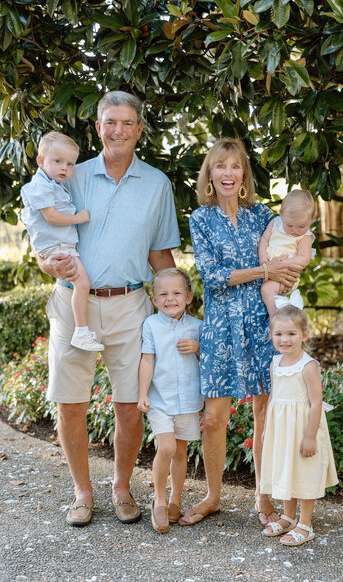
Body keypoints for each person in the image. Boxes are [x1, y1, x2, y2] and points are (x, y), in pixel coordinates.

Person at [35, 91, 180, 526]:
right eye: (110, 122)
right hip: (71, 302)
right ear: (98, 127)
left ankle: (121, 486)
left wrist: (177, 311)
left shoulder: (157, 184)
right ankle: (82, 492)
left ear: (139, 129)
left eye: (127, 123)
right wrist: (47, 263)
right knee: (69, 403)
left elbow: (160, 255)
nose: (118, 130)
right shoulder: (68, 176)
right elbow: (43, 241)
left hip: (131, 304)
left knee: (131, 404)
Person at [179, 138, 303, 527]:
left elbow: (291, 253)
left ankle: (262, 498)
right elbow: (212, 278)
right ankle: (213, 496)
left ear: (244, 174)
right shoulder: (200, 219)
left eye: (235, 166)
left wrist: (287, 271)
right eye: (220, 166)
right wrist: (264, 272)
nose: (228, 173)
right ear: (210, 175)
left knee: (264, 410)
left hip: (261, 323)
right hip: (219, 326)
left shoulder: (263, 215)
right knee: (215, 417)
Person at [260, 293, 338, 545]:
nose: (284, 340)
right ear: (271, 336)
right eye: (279, 334)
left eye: (291, 334)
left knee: (303, 472)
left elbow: (316, 403)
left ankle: (305, 523)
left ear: (304, 335)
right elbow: (273, 397)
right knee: (285, 469)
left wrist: (309, 436)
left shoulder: (308, 366)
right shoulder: (275, 363)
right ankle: (288, 516)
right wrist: (267, 429)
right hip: (281, 429)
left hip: (303, 428)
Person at [21, 131, 104, 352]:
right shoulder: (42, 187)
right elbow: (52, 217)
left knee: (81, 283)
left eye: (69, 163)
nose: (64, 168)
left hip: (58, 244)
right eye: (57, 161)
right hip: (58, 246)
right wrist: (78, 218)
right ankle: (81, 332)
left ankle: (81, 331)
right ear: (40, 161)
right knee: (82, 284)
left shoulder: (51, 184)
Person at [138, 268, 203, 533]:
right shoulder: (151, 325)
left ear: (188, 297)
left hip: (187, 400)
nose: (170, 299)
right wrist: (142, 393)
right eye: (163, 294)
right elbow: (147, 359)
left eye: (176, 293)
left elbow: (208, 362)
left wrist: (198, 348)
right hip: (160, 401)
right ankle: (160, 500)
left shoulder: (198, 327)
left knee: (180, 452)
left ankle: (176, 498)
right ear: (154, 299)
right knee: (166, 448)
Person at [258, 189, 315, 317]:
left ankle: (277, 317)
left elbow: (304, 259)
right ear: (281, 214)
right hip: (268, 268)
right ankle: (282, 305)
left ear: (311, 220)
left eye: (301, 226)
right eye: (290, 225)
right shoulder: (274, 224)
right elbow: (264, 239)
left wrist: (282, 264)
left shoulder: (305, 237)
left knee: (266, 289)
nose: (295, 230)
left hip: (286, 274)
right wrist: (262, 255)